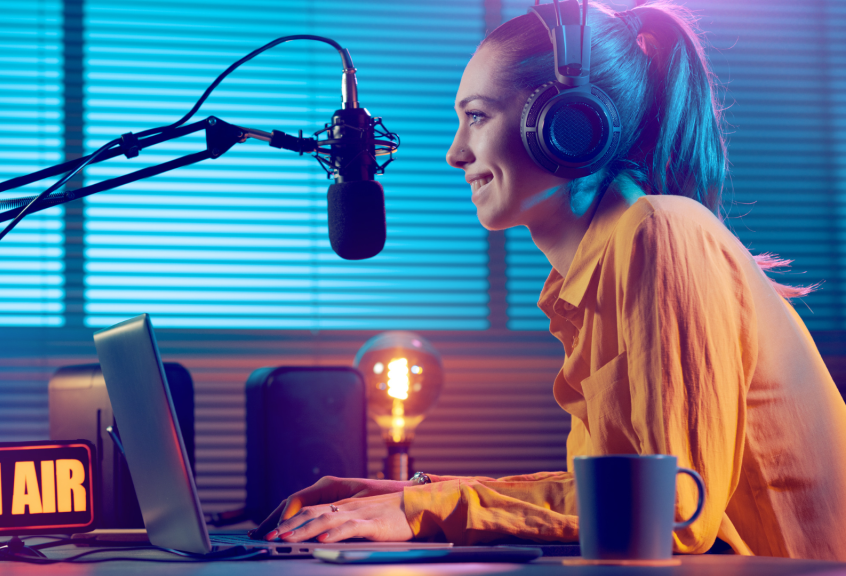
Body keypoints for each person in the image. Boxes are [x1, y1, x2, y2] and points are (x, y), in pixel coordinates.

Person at [248, 1, 846, 560]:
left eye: (477, 117)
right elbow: (620, 492)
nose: (456, 153)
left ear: (566, 125)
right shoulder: (601, 266)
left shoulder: (660, 232)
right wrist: (406, 492)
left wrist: (424, 509)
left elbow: (668, 512)